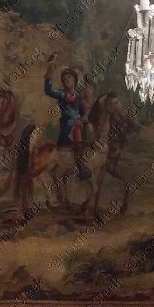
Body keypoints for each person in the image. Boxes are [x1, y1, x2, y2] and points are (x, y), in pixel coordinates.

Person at [43, 54, 89, 207]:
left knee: (88, 130)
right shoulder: (62, 94)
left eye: (70, 78)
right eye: (65, 79)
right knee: (75, 129)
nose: (68, 80)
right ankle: (80, 166)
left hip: (78, 124)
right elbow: (48, 91)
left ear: (75, 81)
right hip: (68, 126)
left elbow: (82, 112)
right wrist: (50, 70)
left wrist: (83, 118)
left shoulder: (78, 96)